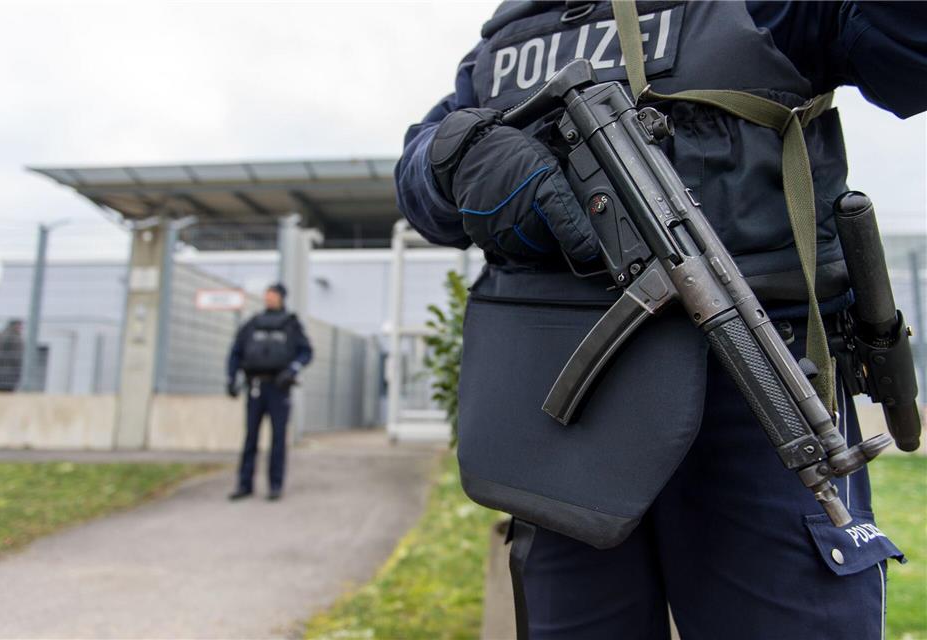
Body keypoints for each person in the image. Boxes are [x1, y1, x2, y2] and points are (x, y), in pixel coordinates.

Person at [395, 2, 925, 638]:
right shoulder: (517, 32)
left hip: (761, 387)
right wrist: (458, 158)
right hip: (563, 409)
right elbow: (422, 163)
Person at [226, 283, 312, 501]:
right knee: (250, 438)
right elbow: (235, 351)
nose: (269, 299)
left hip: (279, 387)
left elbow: (306, 352)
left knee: (278, 439)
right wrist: (231, 377)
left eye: (273, 296)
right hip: (255, 386)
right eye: (267, 296)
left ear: (282, 298)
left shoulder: (291, 325)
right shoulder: (253, 324)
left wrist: (292, 369)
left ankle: (275, 485)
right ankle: (244, 484)